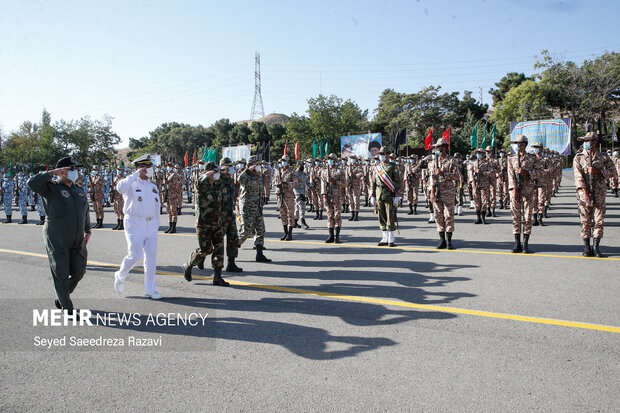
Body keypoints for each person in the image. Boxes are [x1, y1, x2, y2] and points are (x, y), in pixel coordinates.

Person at [28, 156, 91, 312]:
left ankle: (61, 296)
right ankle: (67, 307)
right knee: (61, 274)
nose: (75, 172)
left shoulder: (78, 189)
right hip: (57, 237)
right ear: (61, 171)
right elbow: (32, 183)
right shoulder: (51, 188)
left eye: (76, 169)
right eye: (71, 169)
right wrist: (53, 172)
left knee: (79, 271)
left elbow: (85, 210)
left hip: (77, 238)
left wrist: (88, 229)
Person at [113, 154, 162, 299]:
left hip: (151, 224)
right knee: (136, 254)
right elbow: (120, 189)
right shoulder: (131, 184)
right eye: (148, 167)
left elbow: (157, 206)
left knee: (151, 258)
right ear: (141, 168)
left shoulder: (153, 187)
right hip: (134, 223)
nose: (151, 169)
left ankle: (150, 289)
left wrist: (156, 224)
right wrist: (135, 174)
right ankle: (120, 276)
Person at [182, 162, 230, 286]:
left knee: (219, 249)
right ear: (209, 173)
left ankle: (217, 277)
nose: (218, 174)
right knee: (206, 249)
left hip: (217, 222)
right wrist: (206, 174)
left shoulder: (217, 184)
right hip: (204, 223)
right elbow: (199, 182)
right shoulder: (201, 184)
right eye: (215, 172)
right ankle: (189, 264)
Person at [573, 132, 617, 257]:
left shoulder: (603, 157)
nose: (586, 143)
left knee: (599, 220)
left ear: (594, 142)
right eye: (585, 141)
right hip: (584, 193)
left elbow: (613, 171)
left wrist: (599, 171)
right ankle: (587, 247)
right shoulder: (579, 157)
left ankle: (596, 246)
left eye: (588, 140)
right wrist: (585, 193)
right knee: (585, 220)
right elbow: (578, 177)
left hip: (599, 192)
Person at [507, 135, 538, 254]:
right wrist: (514, 189)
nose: (517, 146)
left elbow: (540, 172)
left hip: (528, 190)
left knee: (527, 217)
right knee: (516, 217)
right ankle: (517, 243)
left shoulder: (532, 158)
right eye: (516, 144)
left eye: (519, 143)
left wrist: (527, 172)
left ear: (525, 144)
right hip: (515, 191)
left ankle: (525, 244)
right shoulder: (511, 158)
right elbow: (510, 175)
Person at [237, 156, 271, 262]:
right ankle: (231, 251)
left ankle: (259, 254)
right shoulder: (246, 176)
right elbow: (239, 179)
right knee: (245, 232)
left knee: (260, 230)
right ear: (251, 165)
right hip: (247, 208)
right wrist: (249, 169)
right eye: (257, 164)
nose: (259, 166)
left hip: (257, 208)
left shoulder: (257, 176)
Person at [428, 138, 459, 249]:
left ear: (445, 147)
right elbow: (431, 177)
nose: (437, 149)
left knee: (448, 216)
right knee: (438, 215)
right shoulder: (433, 162)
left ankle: (449, 241)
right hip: (436, 192)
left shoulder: (451, 160)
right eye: (436, 147)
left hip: (448, 192)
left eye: (439, 147)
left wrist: (443, 174)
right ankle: (442, 241)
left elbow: (457, 176)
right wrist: (431, 192)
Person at [370, 147, 401, 247]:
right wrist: (372, 195)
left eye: (383, 153)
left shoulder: (393, 166)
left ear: (388, 154)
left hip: (389, 194)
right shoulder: (377, 167)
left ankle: (391, 238)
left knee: (390, 215)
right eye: (380, 154)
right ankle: (384, 237)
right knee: (381, 216)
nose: (382, 155)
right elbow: (373, 182)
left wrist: (397, 196)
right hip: (379, 194)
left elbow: (397, 182)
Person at [219, 157, 243, 273]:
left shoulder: (230, 180)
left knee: (233, 239)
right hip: (220, 216)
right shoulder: (217, 180)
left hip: (230, 214)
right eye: (230, 166)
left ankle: (231, 263)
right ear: (224, 167)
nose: (232, 168)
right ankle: (201, 259)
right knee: (216, 242)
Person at [321, 153, 346, 243]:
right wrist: (324, 195)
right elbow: (323, 184)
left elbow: (344, 183)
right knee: (329, 215)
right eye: (328, 159)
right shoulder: (324, 171)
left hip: (337, 196)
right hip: (328, 196)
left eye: (331, 159)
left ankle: (337, 237)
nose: (329, 161)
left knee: (337, 216)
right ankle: (331, 236)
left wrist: (334, 181)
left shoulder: (340, 171)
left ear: (335, 160)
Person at [273, 155, 296, 241]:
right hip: (280, 195)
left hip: (289, 196)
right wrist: (277, 186)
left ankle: (290, 234)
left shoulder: (292, 172)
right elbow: (274, 182)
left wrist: (286, 184)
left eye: (284, 161)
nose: (283, 162)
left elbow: (295, 183)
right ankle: (285, 232)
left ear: (288, 162)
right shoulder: (277, 171)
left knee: (290, 214)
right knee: (283, 214)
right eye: (282, 161)